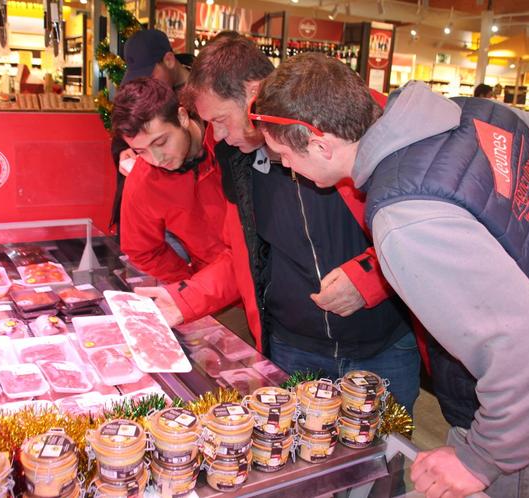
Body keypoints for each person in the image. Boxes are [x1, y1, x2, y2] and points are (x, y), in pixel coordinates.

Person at [252, 52, 529, 498]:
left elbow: (527, 345)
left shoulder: (405, 218)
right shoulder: (477, 114)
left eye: (283, 155)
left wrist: (482, 459)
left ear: (320, 143)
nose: (286, 168)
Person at [137, 36, 421, 413]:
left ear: (254, 94)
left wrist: (369, 279)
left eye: (220, 120)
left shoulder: (341, 127)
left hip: (382, 345)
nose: (216, 135)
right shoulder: (234, 158)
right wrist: (183, 298)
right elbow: (241, 256)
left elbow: (418, 234)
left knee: (385, 463)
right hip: (293, 349)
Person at [111, 77, 226, 283]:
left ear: (182, 117)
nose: (156, 159)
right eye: (140, 151)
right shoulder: (143, 181)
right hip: (215, 289)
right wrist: (188, 283)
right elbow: (143, 250)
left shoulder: (230, 141)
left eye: (161, 141)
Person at [110, 29, 192, 235]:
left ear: (169, 59)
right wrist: (124, 152)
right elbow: (121, 137)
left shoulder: (206, 90)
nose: (147, 84)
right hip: (155, 212)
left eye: (150, 74)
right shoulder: (144, 96)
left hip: (194, 215)